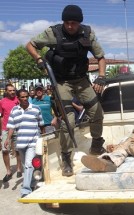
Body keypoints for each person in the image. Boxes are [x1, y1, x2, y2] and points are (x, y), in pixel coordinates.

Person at [26, 4, 107, 177]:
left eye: (74, 23)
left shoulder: (87, 33)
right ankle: (66, 159)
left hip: (81, 79)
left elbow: (100, 57)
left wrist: (101, 77)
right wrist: (39, 59)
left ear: (79, 23)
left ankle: (97, 143)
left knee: (96, 112)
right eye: (67, 22)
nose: (70, 26)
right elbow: (30, 45)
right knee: (67, 122)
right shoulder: (53, 33)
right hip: (61, 82)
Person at [4, 89, 45, 197]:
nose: (25, 98)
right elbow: (11, 127)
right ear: (18, 98)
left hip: (33, 141)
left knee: (28, 165)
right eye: (22, 97)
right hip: (20, 143)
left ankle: (26, 190)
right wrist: (8, 139)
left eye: (26, 96)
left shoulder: (36, 108)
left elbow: (41, 125)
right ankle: (32, 183)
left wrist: (43, 138)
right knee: (26, 165)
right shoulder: (14, 110)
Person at [0, 84, 22, 182]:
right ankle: (8, 172)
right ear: (6, 91)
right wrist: (1, 131)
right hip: (6, 129)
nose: (12, 92)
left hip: (17, 128)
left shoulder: (19, 100)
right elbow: (1, 117)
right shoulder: (1, 102)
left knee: (18, 150)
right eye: (10, 90)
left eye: (13, 90)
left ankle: (18, 169)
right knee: (5, 151)